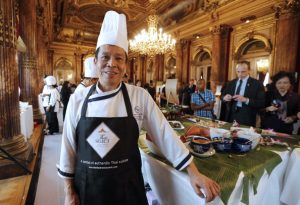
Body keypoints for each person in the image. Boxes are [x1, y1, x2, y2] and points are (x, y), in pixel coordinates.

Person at [58, 10, 219, 205]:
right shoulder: (78, 99)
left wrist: (194, 172)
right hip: (88, 189)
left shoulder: (139, 96)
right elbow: (68, 148)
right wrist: (68, 191)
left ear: (126, 64)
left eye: (119, 58)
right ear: (95, 61)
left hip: (128, 188)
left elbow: (164, 134)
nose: (112, 64)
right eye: (106, 57)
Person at [222, 61, 265, 127]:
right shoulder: (231, 83)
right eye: (238, 72)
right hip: (231, 114)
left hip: (246, 116)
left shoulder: (257, 84)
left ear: (249, 71)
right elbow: (222, 96)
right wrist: (225, 98)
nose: (240, 74)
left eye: (243, 72)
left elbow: (261, 102)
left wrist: (246, 100)